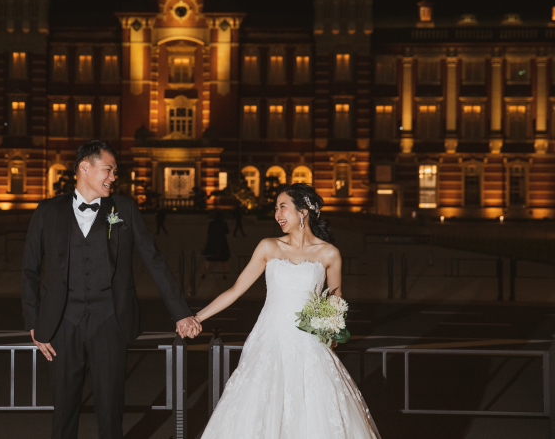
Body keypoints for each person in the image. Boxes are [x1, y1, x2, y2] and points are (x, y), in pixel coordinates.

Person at [22, 140, 202, 439]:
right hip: (62, 325)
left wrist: (181, 314)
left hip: (110, 323)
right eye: (108, 170)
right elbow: (29, 270)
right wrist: (34, 324)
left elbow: (154, 262)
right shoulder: (47, 211)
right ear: (85, 168)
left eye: (114, 172)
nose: (113, 177)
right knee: (64, 411)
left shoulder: (125, 209)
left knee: (110, 411)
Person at [197, 183, 381, 438]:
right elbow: (235, 290)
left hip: (309, 347)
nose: (277, 215)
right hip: (268, 340)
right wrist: (196, 318)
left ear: (303, 212)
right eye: (275, 209)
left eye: (283, 207)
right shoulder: (268, 246)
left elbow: (335, 300)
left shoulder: (329, 253)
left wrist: (330, 332)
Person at [202, 211, 230, 279]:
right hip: (222, 243)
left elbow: (208, 232)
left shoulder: (211, 223)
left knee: (208, 258)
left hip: (212, 242)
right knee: (224, 259)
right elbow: (227, 231)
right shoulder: (224, 223)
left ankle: (204, 273)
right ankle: (224, 274)